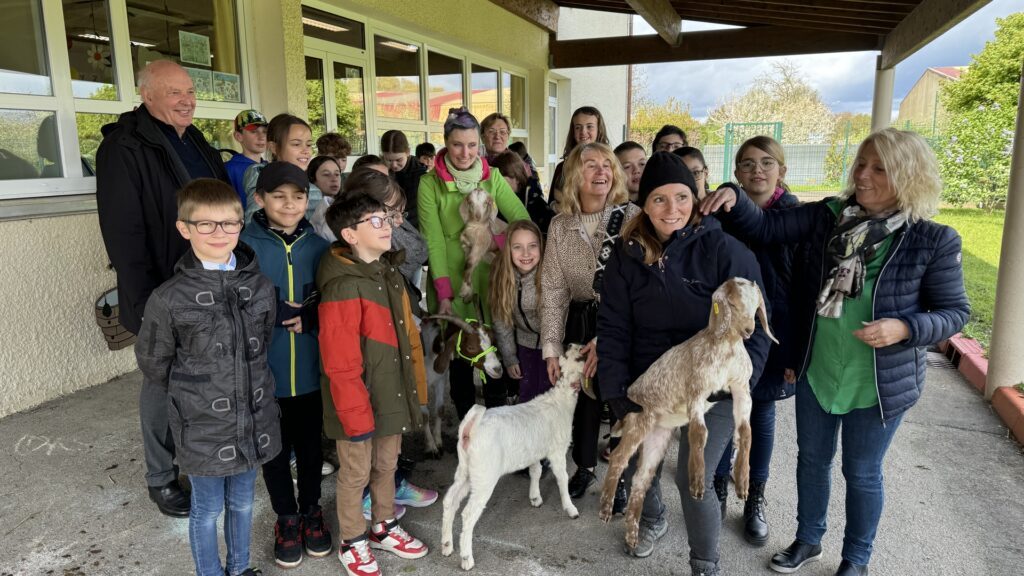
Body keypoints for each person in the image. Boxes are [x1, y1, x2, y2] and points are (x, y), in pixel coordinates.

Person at [700, 128, 970, 576]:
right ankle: (809, 539)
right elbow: (767, 226)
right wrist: (732, 193)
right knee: (812, 459)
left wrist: (905, 326)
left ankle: (857, 559)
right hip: (819, 367)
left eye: (878, 168)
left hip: (877, 380)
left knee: (861, 473)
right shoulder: (830, 216)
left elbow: (954, 312)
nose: (862, 175)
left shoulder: (933, 239)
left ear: (908, 175)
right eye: (861, 164)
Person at [599, 152, 770, 571]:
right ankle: (653, 518)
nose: (671, 209)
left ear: (696, 197)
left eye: (681, 197)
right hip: (654, 380)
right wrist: (618, 395)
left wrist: (736, 385)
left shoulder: (726, 251)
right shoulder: (627, 255)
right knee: (641, 464)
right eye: (659, 199)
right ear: (645, 204)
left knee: (690, 480)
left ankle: (704, 563)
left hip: (712, 388)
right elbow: (614, 327)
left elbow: (758, 329)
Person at [96, 59, 230, 518]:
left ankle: (202, 458)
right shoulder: (124, 147)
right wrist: (147, 300)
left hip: (209, 278)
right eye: (175, 92)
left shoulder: (193, 139)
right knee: (163, 380)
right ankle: (160, 476)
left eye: (190, 91)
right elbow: (123, 233)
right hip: (161, 288)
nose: (187, 100)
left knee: (202, 375)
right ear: (147, 95)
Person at [135, 178, 279, 576]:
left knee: (245, 502)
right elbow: (155, 363)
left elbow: (262, 343)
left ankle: (240, 567)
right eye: (206, 225)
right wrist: (195, 397)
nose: (220, 233)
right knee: (207, 508)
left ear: (241, 224)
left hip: (252, 418)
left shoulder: (261, 287)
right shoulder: (169, 297)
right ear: (184, 228)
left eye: (229, 224)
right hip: (202, 425)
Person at [319, 193, 430, 576]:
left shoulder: (386, 272)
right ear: (351, 234)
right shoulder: (343, 286)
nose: (387, 226)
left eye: (387, 218)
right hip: (357, 403)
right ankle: (352, 539)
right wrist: (354, 413)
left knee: (386, 464)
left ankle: (383, 525)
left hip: (388, 393)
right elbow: (340, 362)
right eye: (377, 221)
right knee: (355, 473)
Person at [239, 162, 332, 568]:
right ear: (260, 199)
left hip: (311, 373)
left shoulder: (320, 247)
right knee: (273, 452)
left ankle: (312, 510)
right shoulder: (245, 245)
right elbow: (234, 300)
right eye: (279, 196)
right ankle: (286, 517)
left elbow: (335, 301)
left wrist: (314, 317)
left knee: (312, 449)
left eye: (298, 196)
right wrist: (273, 311)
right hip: (265, 376)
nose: (290, 204)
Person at [710, 136, 802, 547]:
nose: (757, 171)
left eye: (767, 163)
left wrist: (796, 351)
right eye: (747, 164)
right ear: (736, 174)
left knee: (760, 418)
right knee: (723, 414)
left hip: (775, 335)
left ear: (781, 170)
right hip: (728, 335)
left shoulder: (796, 217)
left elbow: (805, 289)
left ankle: (754, 497)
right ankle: (716, 489)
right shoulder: (724, 216)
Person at [540, 142, 640, 501]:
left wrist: (608, 337)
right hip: (580, 323)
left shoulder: (632, 218)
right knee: (582, 399)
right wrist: (551, 348)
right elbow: (553, 290)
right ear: (572, 177)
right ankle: (584, 467)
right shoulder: (560, 225)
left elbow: (640, 286)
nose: (601, 172)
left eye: (607, 165)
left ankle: (623, 476)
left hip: (622, 322)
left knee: (620, 400)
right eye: (591, 165)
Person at [417, 107, 529, 419]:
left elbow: (523, 220)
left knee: (492, 346)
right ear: (445, 143)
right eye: (457, 145)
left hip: (489, 277)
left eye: (471, 145)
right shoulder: (430, 184)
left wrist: (497, 241)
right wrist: (444, 293)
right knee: (458, 354)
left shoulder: (491, 177)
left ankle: (494, 424)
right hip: (450, 279)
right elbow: (434, 242)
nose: (465, 153)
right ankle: (468, 427)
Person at [490, 220, 546, 403]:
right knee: (527, 396)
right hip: (525, 344)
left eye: (532, 246)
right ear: (508, 249)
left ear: (541, 246)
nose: (526, 254)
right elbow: (501, 322)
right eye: (517, 247)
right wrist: (510, 358)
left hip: (553, 346)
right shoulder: (502, 275)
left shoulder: (550, 274)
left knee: (549, 399)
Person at [483, 112, 553, 233]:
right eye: (492, 131)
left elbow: (534, 196)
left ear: (508, 135)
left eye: (502, 132)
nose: (497, 136)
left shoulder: (523, 161)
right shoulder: (477, 164)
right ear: (482, 136)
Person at [243, 114, 319, 223]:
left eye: (309, 144)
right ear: (273, 147)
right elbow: (254, 224)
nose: (306, 151)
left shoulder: (312, 186)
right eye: (296, 144)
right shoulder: (262, 177)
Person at [549, 106, 610, 209]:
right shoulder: (562, 168)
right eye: (578, 127)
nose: (583, 132)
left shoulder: (611, 167)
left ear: (599, 130)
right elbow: (551, 202)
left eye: (589, 126)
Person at [489, 150, 553, 233]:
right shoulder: (495, 201)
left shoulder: (534, 202)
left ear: (517, 178)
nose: (498, 185)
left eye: (502, 180)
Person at [380, 130, 426, 228]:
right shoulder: (380, 170)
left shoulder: (420, 175)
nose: (394, 165)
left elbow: (415, 210)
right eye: (388, 160)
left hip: (412, 226)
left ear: (408, 152)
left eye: (398, 160)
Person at [224, 110, 268, 205]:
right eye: (253, 131)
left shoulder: (270, 167)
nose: (261, 137)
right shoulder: (230, 169)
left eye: (265, 132)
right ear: (238, 136)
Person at [308, 156, 344, 241]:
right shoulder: (305, 209)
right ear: (313, 179)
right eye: (326, 174)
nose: (334, 179)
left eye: (337, 174)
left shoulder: (347, 205)